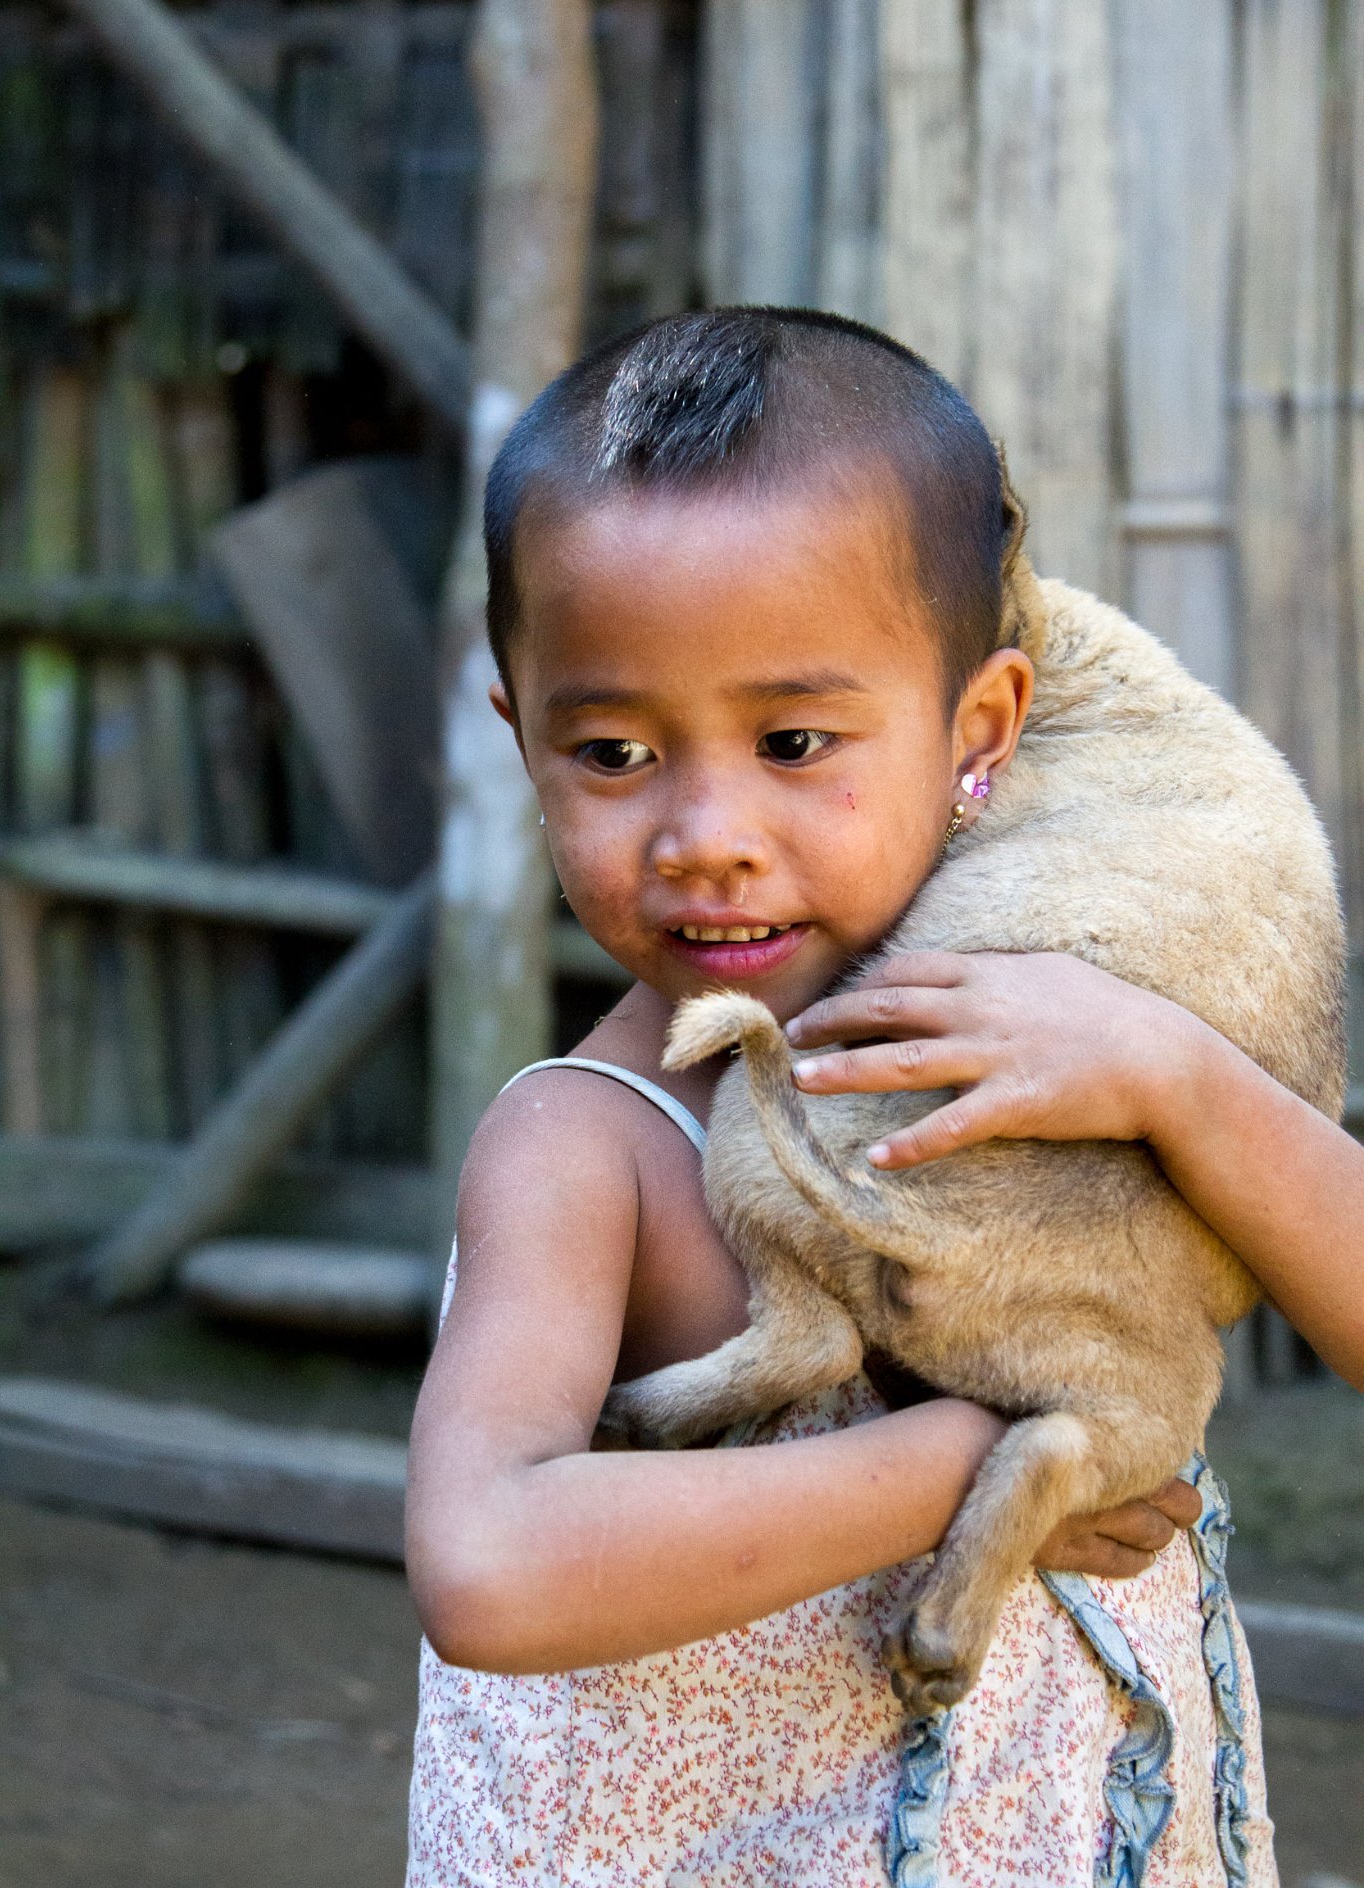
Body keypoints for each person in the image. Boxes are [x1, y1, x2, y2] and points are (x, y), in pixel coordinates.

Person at [405, 308, 1360, 1887]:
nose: (705, 836)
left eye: (793, 741)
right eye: (615, 753)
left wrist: (1173, 1076)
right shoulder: (592, 1142)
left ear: (977, 732)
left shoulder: (1064, 1052)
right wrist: (971, 1464)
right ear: (522, 740)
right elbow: (489, 1570)